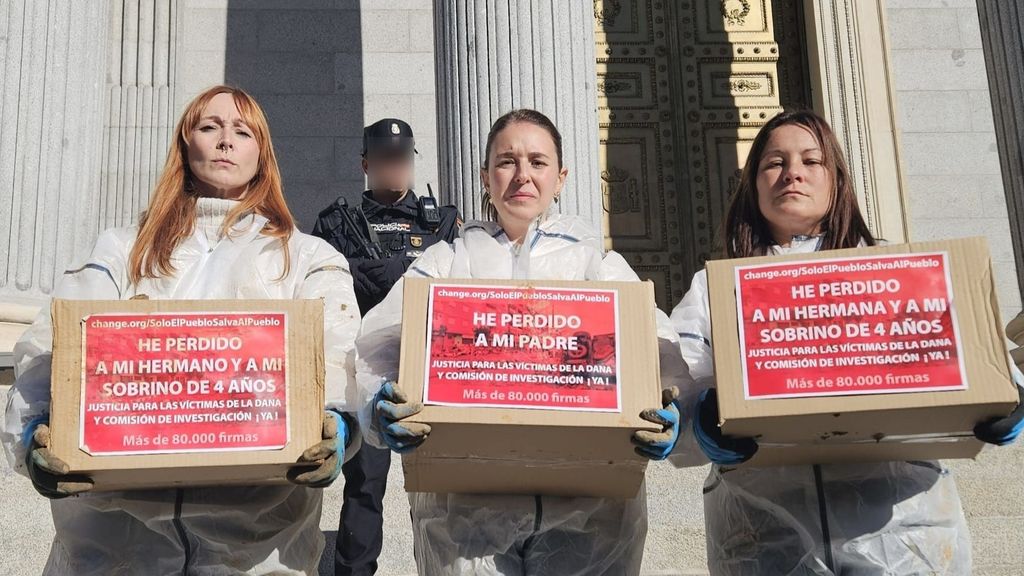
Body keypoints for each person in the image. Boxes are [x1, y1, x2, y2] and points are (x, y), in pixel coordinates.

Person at [1, 85, 363, 575]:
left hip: (258, 551)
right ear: (185, 144)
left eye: (242, 131)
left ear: (263, 152)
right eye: (209, 126)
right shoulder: (119, 253)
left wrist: (340, 422)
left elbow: (341, 357)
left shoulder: (306, 259)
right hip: (115, 548)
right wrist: (33, 434)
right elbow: (51, 353)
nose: (225, 141)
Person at [668, 109, 1024, 575]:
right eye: (773, 163)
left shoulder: (902, 274)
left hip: (901, 530)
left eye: (811, 161)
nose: (792, 172)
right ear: (753, 185)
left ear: (837, 180)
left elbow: (984, 364)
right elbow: (678, 393)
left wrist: (1006, 402)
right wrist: (700, 424)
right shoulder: (713, 291)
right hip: (764, 534)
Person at [354, 109, 693, 575]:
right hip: (464, 518)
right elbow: (375, 349)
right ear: (485, 176)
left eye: (538, 161)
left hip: (591, 513)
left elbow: (659, 351)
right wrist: (377, 407)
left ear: (561, 177)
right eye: (507, 161)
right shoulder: (444, 264)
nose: (523, 175)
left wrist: (671, 409)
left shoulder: (598, 266)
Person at [311, 118, 460, 576]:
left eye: (402, 159)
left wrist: (379, 272)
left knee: (438, 492)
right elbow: (324, 292)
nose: (395, 168)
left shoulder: (444, 221)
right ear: (365, 164)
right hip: (368, 372)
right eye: (384, 160)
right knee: (364, 486)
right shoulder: (336, 223)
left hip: (432, 374)